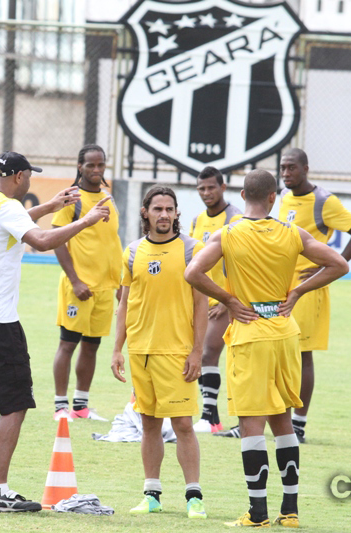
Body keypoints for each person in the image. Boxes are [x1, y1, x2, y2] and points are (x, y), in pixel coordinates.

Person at [185, 169, 348, 528]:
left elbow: (193, 272)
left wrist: (228, 299)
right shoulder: (293, 232)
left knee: (252, 423)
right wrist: (298, 291)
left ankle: (257, 513)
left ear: (242, 195)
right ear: (274, 197)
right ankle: (289, 512)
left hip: (250, 331)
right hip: (285, 330)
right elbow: (339, 264)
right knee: (283, 419)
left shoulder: (227, 234)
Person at [0, 151, 111, 512]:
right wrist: (85, 220)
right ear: (20, 177)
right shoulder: (7, 208)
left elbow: (16, 221)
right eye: (30, 177)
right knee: (16, 404)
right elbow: (40, 240)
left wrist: (50, 205)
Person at [111, 186, 209, 520]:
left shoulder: (191, 250)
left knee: (182, 423)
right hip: (141, 351)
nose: (164, 215)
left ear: (177, 213)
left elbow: (201, 304)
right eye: (157, 209)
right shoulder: (133, 252)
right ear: (145, 213)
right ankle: (151, 494)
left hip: (177, 352)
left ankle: (194, 497)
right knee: (149, 424)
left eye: (170, 209)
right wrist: (117, 349)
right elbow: (124, 303)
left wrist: (197, 352)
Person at [274, 148, 351, 443]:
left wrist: (326, 263)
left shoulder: (324, 201)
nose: (286, 173)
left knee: (302, 356)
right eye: (283, 168)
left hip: (309, 289)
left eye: (291, 168)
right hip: (281, 287)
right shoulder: (282, 197)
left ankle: (299, 424)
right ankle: (274, 416)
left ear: (305, 169)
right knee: (278, 352)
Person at [51, 144, 122, 422]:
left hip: (105, 288)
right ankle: (60, 406)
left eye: (100, 165)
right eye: (90, 165)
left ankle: (81, 406)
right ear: (79, 166)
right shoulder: (73, 198)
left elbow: (111, 243)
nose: (96, 170)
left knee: (92, 346)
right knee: (67, 345)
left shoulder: (108, 198)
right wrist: (75, 279)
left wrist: (119, 286)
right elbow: (56, 240)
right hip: (78, 287)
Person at [187, 166, 242, 435]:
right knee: (199, 352)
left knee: (209, 352)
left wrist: (226, 299)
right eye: (202, 188)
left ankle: (210, 416)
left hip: (224, 300)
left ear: (223, 187)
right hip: (200, 300)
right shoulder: (197, 220)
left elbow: (241, 262)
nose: (206, 193)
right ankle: (212, 417)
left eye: (211, 187)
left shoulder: (235, 218)